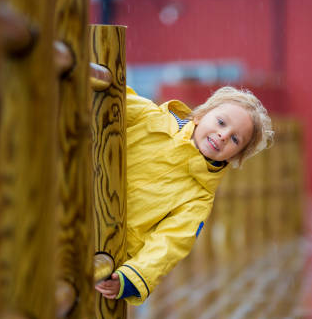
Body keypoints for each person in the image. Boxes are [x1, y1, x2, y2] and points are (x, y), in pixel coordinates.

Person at [95, 86, 273, 305]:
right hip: (81, 200)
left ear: (235, 157)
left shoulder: (199, 197)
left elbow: (170, 243)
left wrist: (132, 277)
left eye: (235, 139)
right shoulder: (153, 118)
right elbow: (115, 101)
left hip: (107, 247)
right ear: (200, 115)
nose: (224, 135)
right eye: (221, 122)